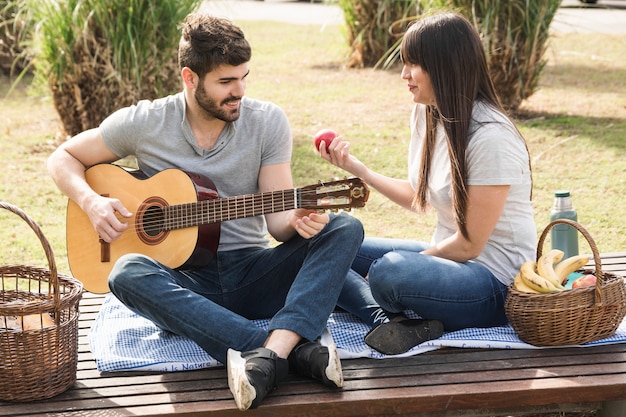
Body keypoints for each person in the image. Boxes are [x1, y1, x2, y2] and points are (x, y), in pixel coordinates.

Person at [47, 13, 366, 411]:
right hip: (184, 286)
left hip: (253, 273)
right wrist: (91, 201)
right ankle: (285, 350)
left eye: (244, 77)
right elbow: (64, 157)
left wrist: (299, 219)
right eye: (226, 82)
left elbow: (279, 227)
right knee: (125, 272)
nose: (240, 92)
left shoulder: (267, 123)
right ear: (190, 78)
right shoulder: (146, 121)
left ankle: (269, 354)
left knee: (345, 228)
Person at [321, 12, 537, 355]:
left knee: (389, 273)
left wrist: (404, 263)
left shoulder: (491, 137)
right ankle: (388, 319)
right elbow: (420, 198)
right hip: (448, 264)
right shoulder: (428, 112)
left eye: (413, 64)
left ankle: (368, 300)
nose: (404, 75)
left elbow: (469, 246)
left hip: (494, 284)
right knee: (328, 238)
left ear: (444, 66)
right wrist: (358, 169)